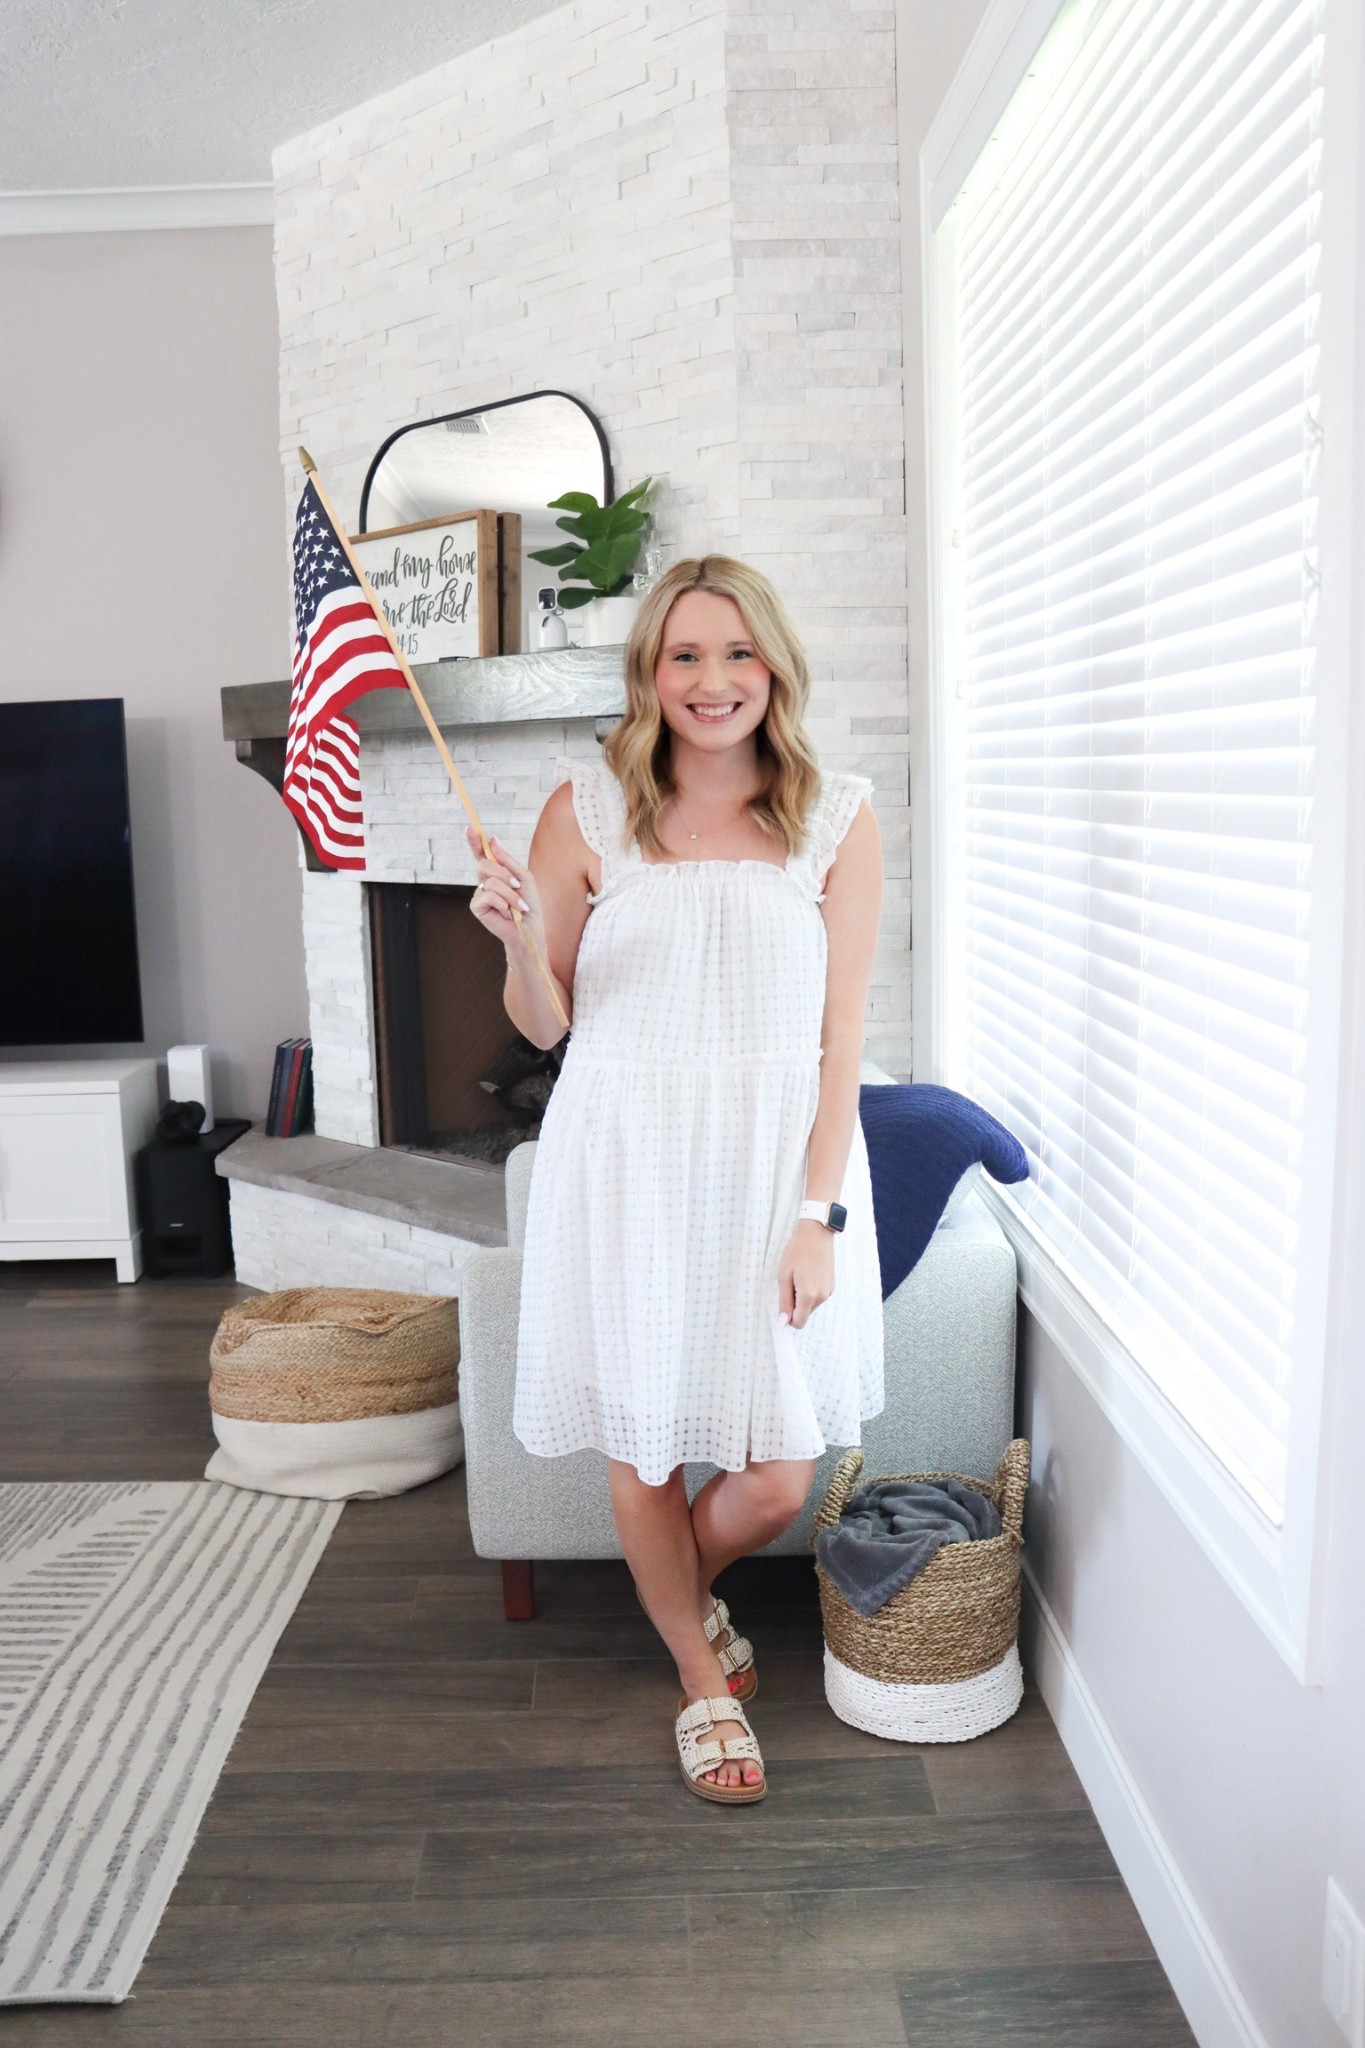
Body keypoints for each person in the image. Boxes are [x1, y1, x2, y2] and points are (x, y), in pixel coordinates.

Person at [467, 554, 885, 1805]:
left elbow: (844, 1036)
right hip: (625, 1156)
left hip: (771, 1169)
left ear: (776, 668)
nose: (714, 681)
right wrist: (509, 943)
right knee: (644, 1445)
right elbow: (546, 1022)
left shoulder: (834, 815)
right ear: (650, 674)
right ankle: (704, 1685)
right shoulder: (586, 811)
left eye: (739, 653)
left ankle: (677, 1605)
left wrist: (819, 1216)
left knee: (776, 1474)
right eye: (685, 655)